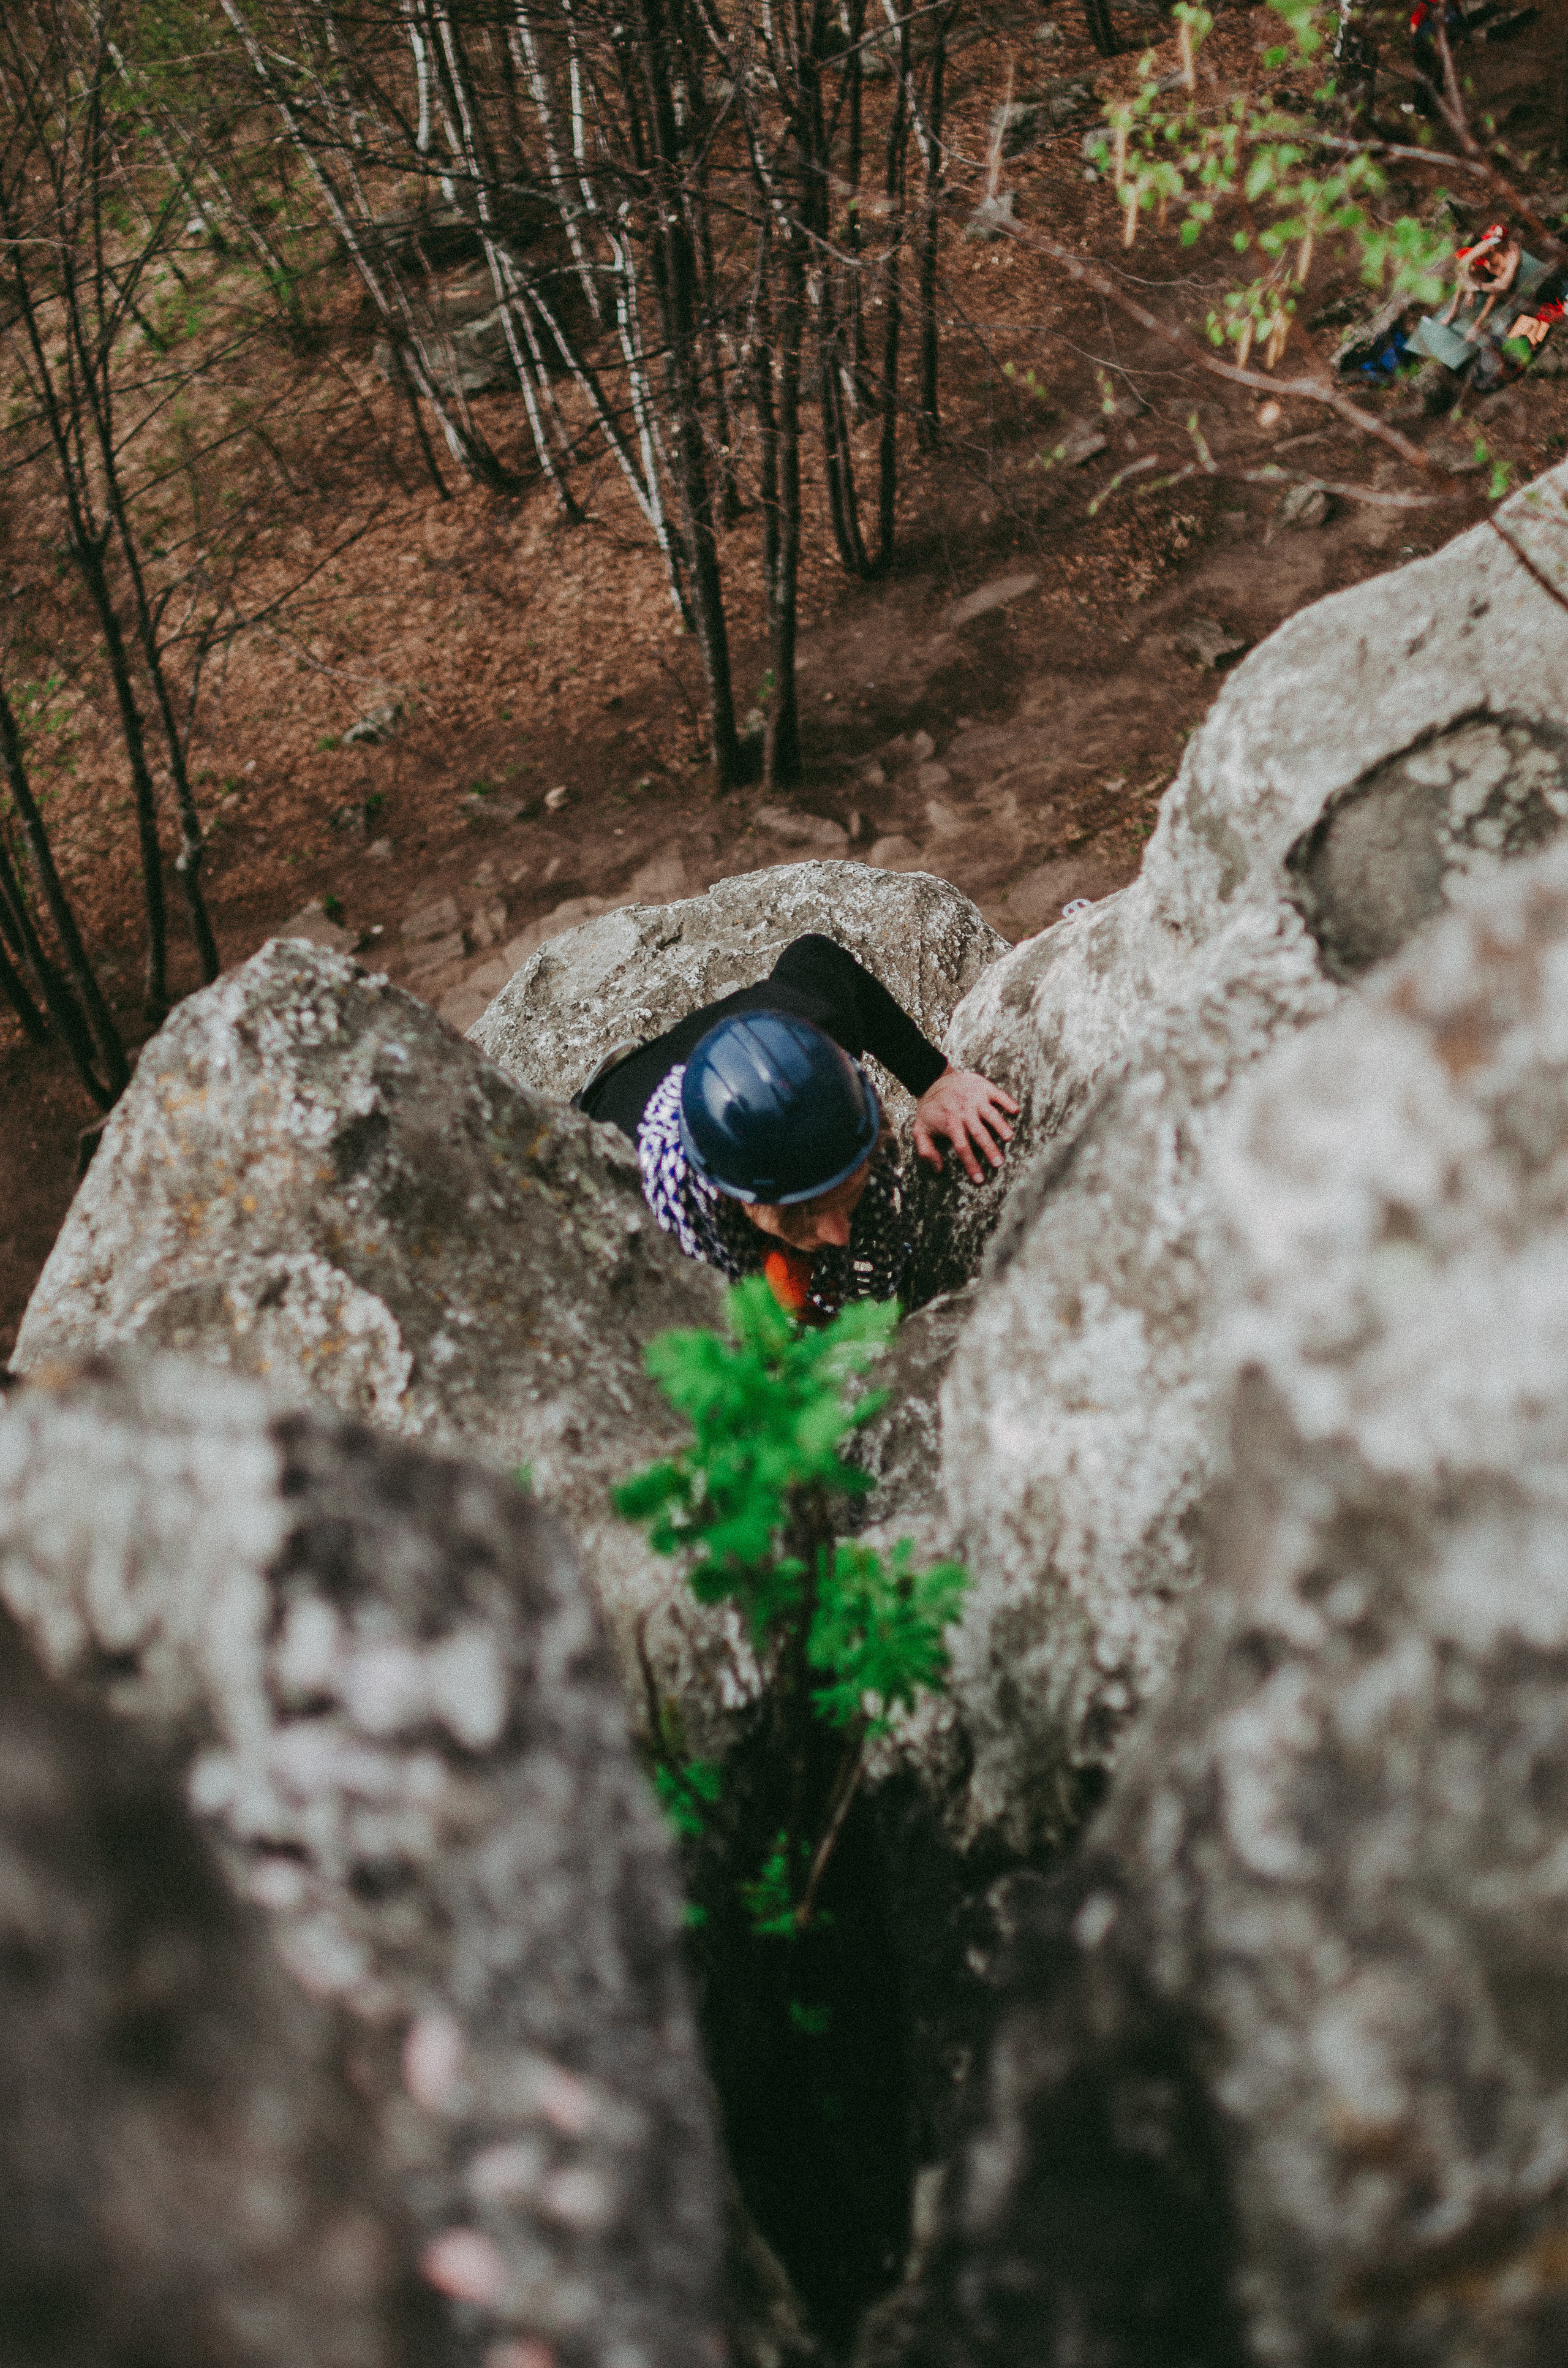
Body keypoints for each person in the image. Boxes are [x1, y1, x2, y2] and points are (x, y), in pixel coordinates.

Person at [575, 934, 1019, 1320]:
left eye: (845, 1193)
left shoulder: (816, 1032)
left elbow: (817, 955)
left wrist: (935, 1080)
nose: (840, 1236)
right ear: (730, 1194)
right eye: (807, 1213)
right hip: (618, 1098)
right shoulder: (625, 1185)